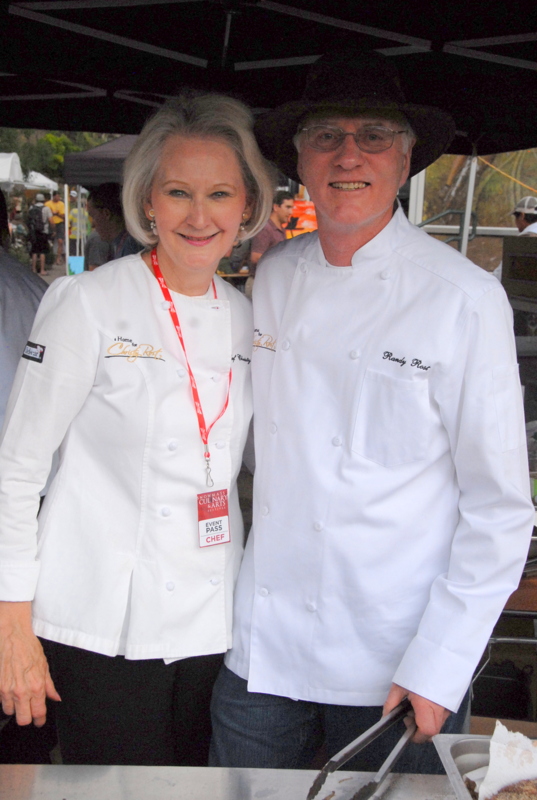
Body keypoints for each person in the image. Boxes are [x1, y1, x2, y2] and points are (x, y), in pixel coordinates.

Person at [210, 50, 534, 774]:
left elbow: (499, 507)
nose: (348, 155)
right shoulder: (274, 278)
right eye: (326, 135)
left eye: (373, 136)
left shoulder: (462, 298)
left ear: (406, 155)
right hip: (263, 649)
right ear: (297, 156)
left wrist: (440, 661)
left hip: (397, 660)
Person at [0, 92, 274, 766]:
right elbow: (17, 466)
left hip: (212, 626)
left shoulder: (248, 317)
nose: (199, 215)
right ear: (147, 201)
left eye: (219, 194)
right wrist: (12, 624)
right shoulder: (87, 303)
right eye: (178, 192)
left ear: (247, 207)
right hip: (101, 627)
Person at [245, 190, 294, 298]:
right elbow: (256, 257)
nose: (291, 212)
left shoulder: (280, 229)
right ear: (276, 207)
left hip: (272, 284)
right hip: (260, 284)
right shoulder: (266, 229)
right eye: (288, 207)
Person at [87, 182, 143, 259]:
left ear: (106, 214)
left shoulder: (130, 246)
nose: (92, 224)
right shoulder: (124, 243)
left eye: (93, 216)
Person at [27, 193, 54, 276]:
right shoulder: (46, 209)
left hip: (34, 232)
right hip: (43, 232)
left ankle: (33, 269)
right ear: (43, 200)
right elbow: (51, 221)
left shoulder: (31, 208)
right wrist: (53, 230)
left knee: (34, 251)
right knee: (42, 251)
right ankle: (42, 270)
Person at [45, 190, 65, 266]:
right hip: (50, 223)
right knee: (50, 241)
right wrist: (55, 213)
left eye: (59, 196)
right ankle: (50, 258)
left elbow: (63, 215)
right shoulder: (47, 204)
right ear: (53, 196)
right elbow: (48, 214)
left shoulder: (61, 204)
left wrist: (55, 213)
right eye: (57, 196)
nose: (58, 198)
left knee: (60, 241)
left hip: (59, 223)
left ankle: (58, 258)